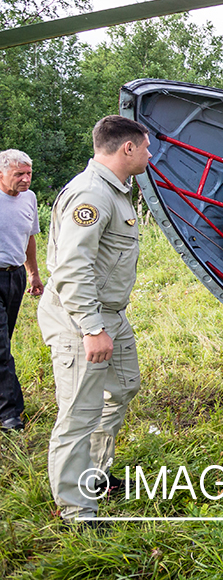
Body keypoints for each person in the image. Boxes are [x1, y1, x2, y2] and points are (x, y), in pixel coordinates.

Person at [38, 116, 150, 525]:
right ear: (127, 149)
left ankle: (96, 474)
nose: (149, 154)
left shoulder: (115, 192)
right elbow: (72, 268)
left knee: (122, 388)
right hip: (81, 317)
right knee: (78, 413)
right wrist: (91, 327)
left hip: (110, 316)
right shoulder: (91, 195)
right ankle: (77, 509)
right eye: (146, 147)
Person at [0, 149, 44, 432]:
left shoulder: (29, 199)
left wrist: (34, 274)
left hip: (14, 276)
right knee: (0, 348)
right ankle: (10, 413)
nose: (26, 179)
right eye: (19, 174)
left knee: (6, 340)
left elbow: (29, 237)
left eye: (28, 173)